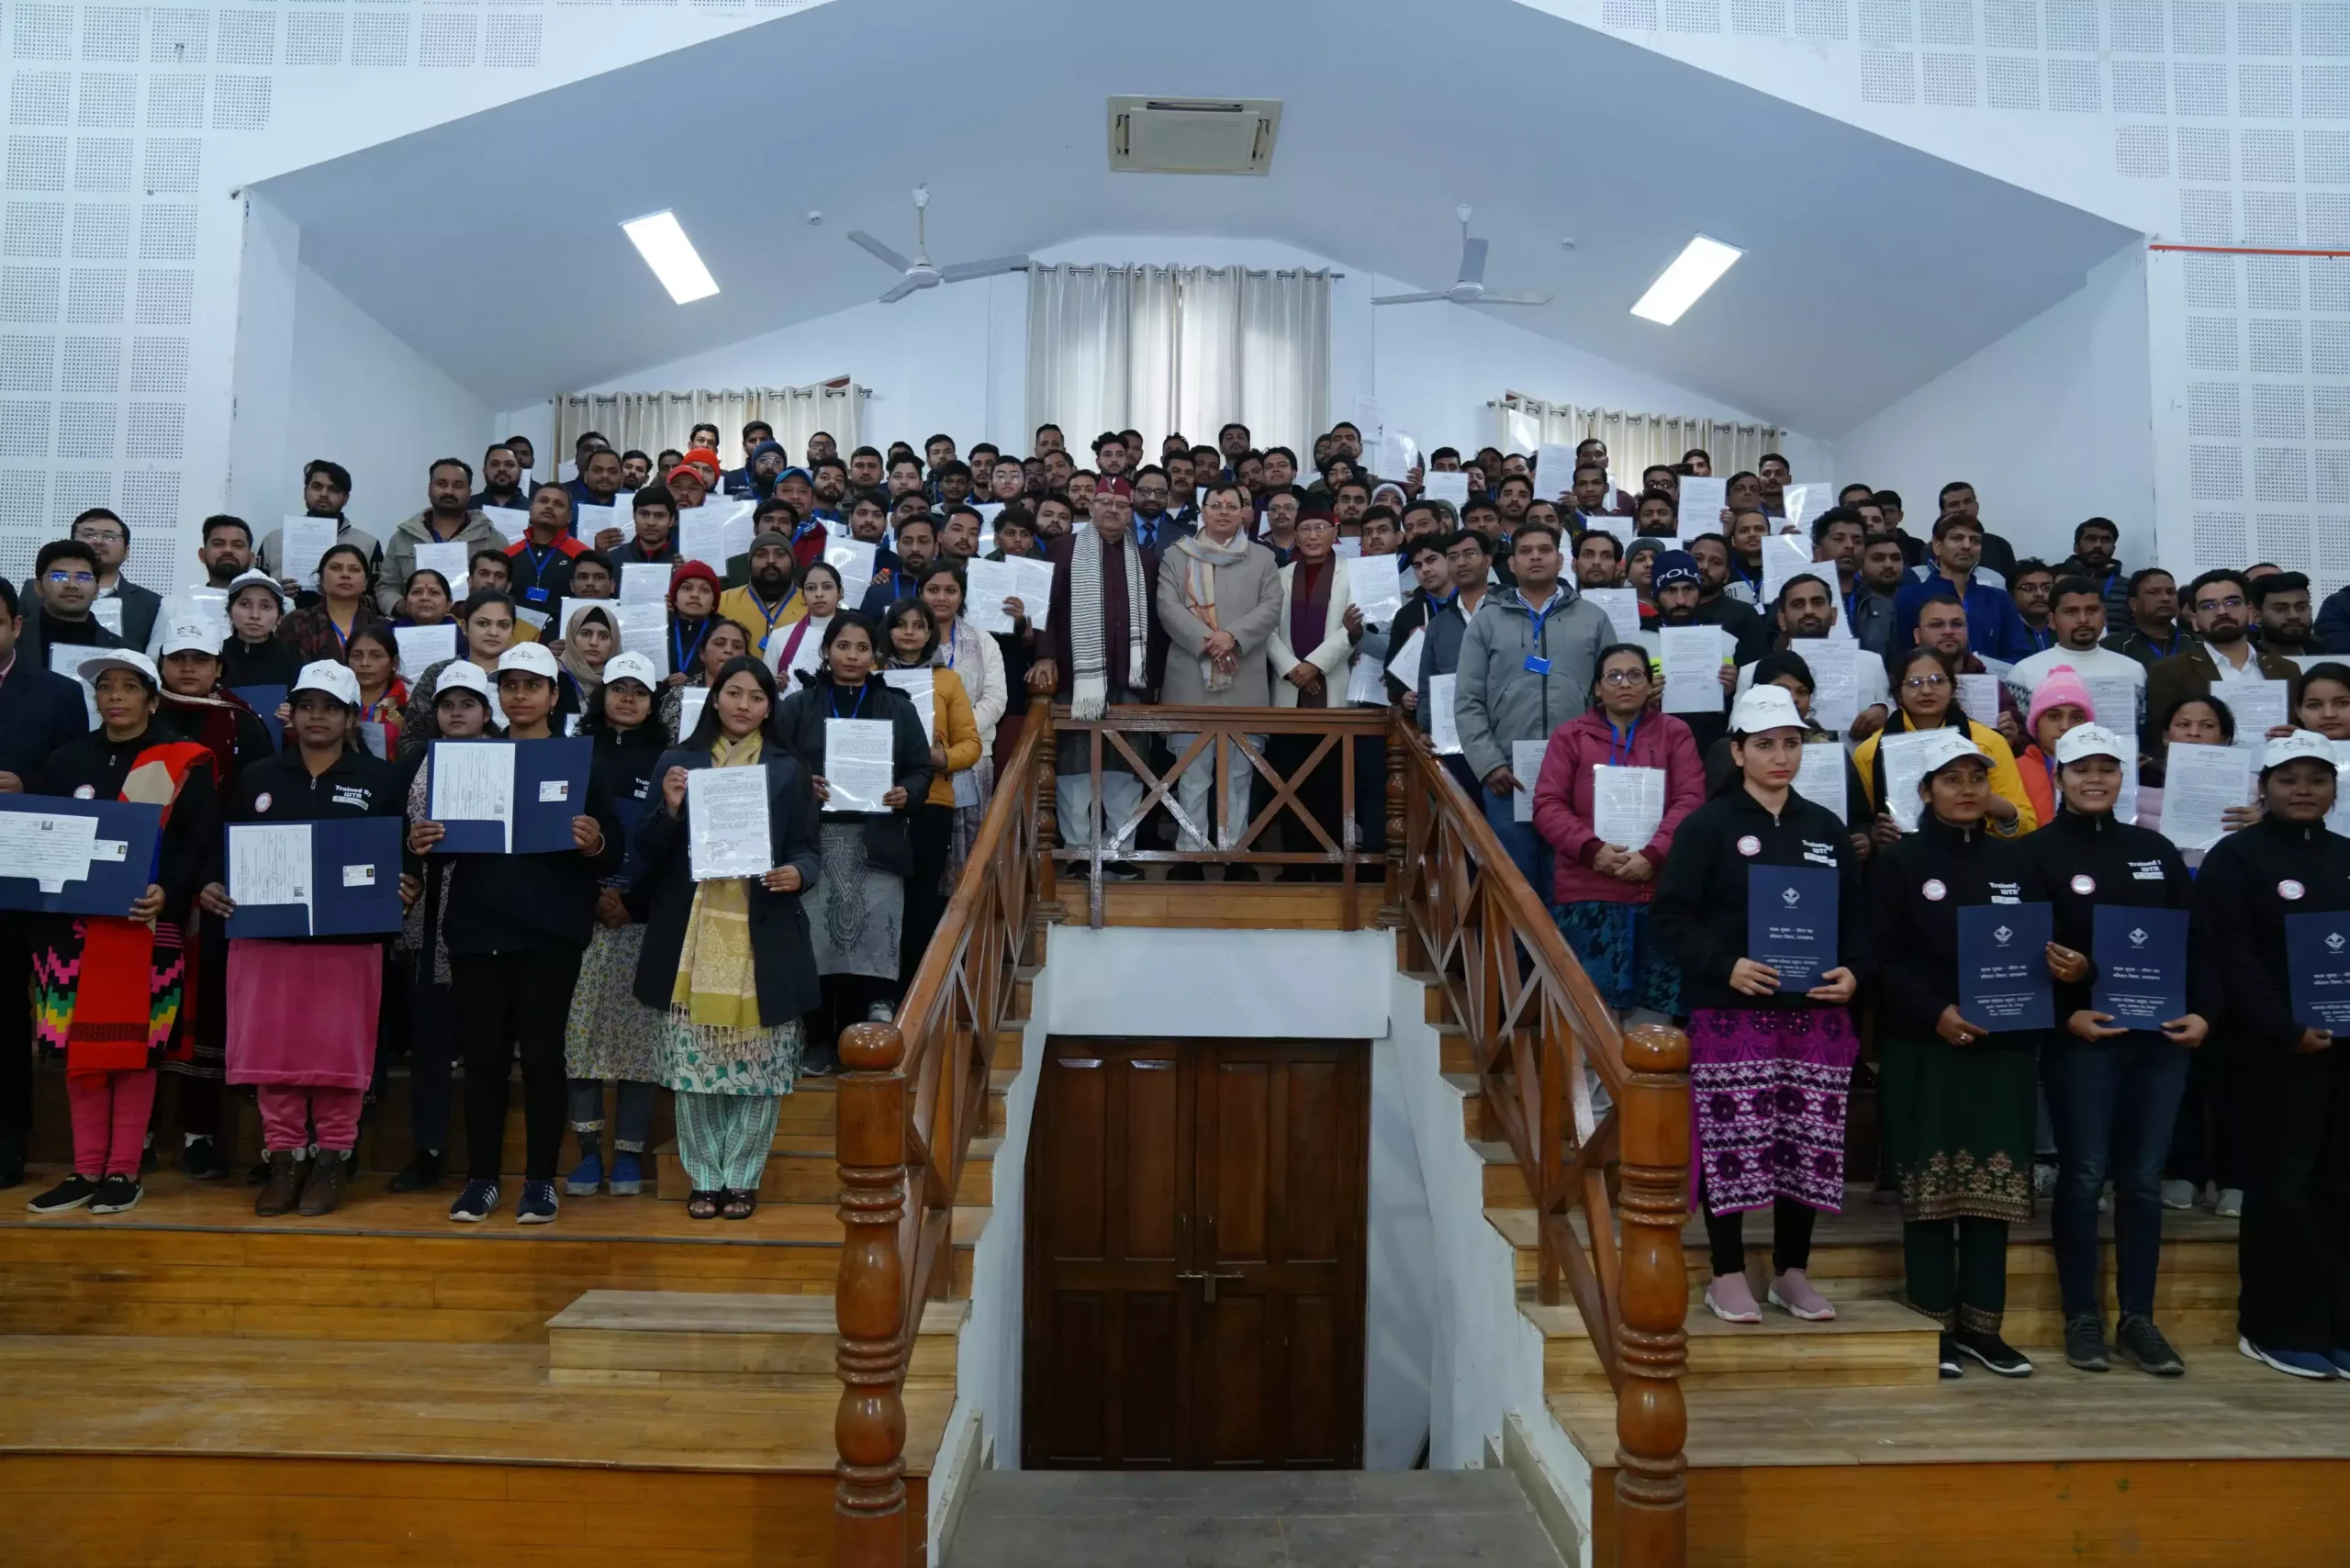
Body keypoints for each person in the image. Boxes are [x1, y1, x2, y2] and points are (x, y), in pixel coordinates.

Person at [1653, 684, 1869, 1323]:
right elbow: (1670, 918)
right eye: (1767, 745)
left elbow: (1860, 921)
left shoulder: (1825, 828)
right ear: (1738, 752)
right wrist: (1726, 965)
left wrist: (1854, 972)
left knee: (1806, 1142)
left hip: (1815, 1016)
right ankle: (1725, 1273)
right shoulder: (1706, 827)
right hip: (1730, 1014)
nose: (1781, 757)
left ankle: (1792, 1272)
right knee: (1733, 1141)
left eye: (1792, 744)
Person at [1868, 728, 2065, 1377]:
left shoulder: (2018, 861)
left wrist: (2063, 966)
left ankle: (1984, 1329)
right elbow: (1880, 959)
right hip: (1924, 1045)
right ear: (1926, 792)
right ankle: (1935, 1327)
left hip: (2003, 1048)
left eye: (1977, 778)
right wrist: (1937, 1014)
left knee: (1994, 1188)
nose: (1967, 790)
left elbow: (2037, 945)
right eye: (1951, 780)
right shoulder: (1898, 864)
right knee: (1932, 1189)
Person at [2019, 722, 2209, 1376]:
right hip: (2084, 1042)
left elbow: (2199, 943)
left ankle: (2139, 1319)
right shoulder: (2034, 854)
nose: (2095, 779)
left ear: (2123, 776)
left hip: (2161, 1044)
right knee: (2081, 1177)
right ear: (2060, 776)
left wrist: (2204, 1014)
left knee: (2143, 1181)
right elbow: (2020, 959)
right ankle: (2081, 1317)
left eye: (2107, 768)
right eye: (2081, 768)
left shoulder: (2155, 851)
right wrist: (2065, 1016)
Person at [414, 644, 621, 1225]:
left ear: (554, 695)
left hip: (549, 932)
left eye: (533, 685)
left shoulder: (580, 760)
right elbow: (443, 852)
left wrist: (594, 843)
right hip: (476, 929)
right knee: (482, 1059)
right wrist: (421, 843)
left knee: (543, 1058)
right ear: (498, 696)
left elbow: (612, 852)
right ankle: (481, 1180)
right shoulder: (469, 760)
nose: (521, 695)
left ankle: (539, 1182)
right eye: (510, 685)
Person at [199, 661, 403, 1217]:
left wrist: (405, 882)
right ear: (291, 713)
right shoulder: (257, 776)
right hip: (267, 939)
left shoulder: (381, 780)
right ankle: (285, 1160)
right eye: (307, 705)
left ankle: (332, 1161)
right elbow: (224, 848)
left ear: (351, 717)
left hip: (349, 941)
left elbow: (400, 856)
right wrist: (211, 884)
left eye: (331, 707)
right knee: (275, 1053)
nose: (318, 716)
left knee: (340, 1053)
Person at [23, 651, 218, 1216]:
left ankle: (124, 1172)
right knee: (78, 1050)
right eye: (105, 686)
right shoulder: (66, 760)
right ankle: (85, 1169)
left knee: (136, 1052)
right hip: (72, 932)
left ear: (152, 700)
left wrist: (170, 892)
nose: (114, 696)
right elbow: (44, 837)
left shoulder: (182, 760)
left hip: (147, 926)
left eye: (128, 687)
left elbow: (199, 841)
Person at [633, 654, 822, 1217]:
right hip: (689, 935)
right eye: (734, 693)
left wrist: (798, 874)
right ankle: (704, 1179)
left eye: (756, 697)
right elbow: (646, 851)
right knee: (694, 1072)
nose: (744, 705)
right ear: (715, 699)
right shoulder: (677, 761)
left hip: (763, 936)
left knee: (759, 1073)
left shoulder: (789, 768)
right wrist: (670, 809)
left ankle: (741, 1178)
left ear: (769, 708)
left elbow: (807, 848)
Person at [2191, 730, 2350, 1379]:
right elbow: (2233, 958)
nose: (2303, 790)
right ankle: (2273, 1326)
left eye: (2316, 779)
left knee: (2340, 1188)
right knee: (2281, 1190)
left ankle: (2337, 1327)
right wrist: (2286, 1029)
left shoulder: (2346, 854)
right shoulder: (2236, 858)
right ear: (2264, 787)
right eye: (2288, 779)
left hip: (2344, 1052)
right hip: (2272, 1054)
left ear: (2334, 789)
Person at [771, 614, 932, 1071]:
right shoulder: (798, 705)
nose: (853, 656)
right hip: (814, 841)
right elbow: (775, 761)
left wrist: (908, 792)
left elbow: (921, 767)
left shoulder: (897, 706)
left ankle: (867, 1043)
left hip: (877, 843)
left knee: (872, 943)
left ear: (874, 655)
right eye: (843, 646)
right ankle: (819, 1041)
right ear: (826, 650)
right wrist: (803, 784)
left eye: (862, 648)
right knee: (817, 944)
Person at [1531, 644, 1706, 1018]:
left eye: (1635, 675)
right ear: (1597, 687)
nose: (1624, 683)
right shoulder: (1570, 736)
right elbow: (1547, 805)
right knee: (1588, 1019)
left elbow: (1690, 800)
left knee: (1654, 1026)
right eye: (1614, 676)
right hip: (1586, 891)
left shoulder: (1675, 733)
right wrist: (1592, 850)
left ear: (1649, 684)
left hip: (1657, 891)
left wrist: (1654, 855)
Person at [559, 652, 671, 1198]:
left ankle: (627, 1155)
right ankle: (587, 1154)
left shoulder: (669, 759)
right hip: (581, 914)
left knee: (638, 1042)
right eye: (619, 688)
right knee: (577, 1037)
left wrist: (633, 903)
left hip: (642, 918)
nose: (628, 699)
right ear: (601, 694)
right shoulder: (574, 752)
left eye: (639, 691)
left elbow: (670, 845)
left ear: (653, 703)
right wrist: (593, 897)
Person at [386, 660, 498, 1193]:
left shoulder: (507, 759)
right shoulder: (414, 762)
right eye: (447, 705)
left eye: (467, 704)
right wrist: (407, 864)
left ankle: (485, 1160)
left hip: (491, 920)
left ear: (486, 712)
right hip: (428, 920)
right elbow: (391, 834)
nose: (457, 713)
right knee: (430, 1043)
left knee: (485, 1044)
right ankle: (427, 1149)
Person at [1456, 521, 1612, 892]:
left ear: (1561, 560)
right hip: (1508, 776)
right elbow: (1467, 699)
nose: (1535, 557)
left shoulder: (1594, 618)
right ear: (1512, 564)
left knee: (1570, 882)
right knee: (1515, 885)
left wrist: (1599, 760)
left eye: (1544, 550)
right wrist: (1489, 764)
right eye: (1525, 551)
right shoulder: (1486, 621)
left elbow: (1608, 697)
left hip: (1577, 772)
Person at [1157, 483, 1281, 867]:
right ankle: (1191, 856)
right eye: (1216, 505)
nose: (1224, 511)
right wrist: (1209, 642)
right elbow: (1167, 606)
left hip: (1244, 680)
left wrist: (1233, 637)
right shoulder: (1176, 555)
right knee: (1192, 777)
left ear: (1244, 512)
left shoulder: (1263, 558)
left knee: (1239, 777)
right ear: (1203, 510)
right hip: (1190, 681)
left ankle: (1234, 854)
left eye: (1232, 505)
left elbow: (1272, 606)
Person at [880, 600, 981, 983]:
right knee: (882, 896)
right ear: (888, 631)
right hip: (879, 800)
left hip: (932, 800)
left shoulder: (948, 680)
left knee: (922, 898)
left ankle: (916, 988)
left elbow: (971, 744)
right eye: (901, 624)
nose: (909, 632)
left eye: (918, 625)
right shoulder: (871, 675)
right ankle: (882, 990)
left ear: (930, 634)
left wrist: (944, 757)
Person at [1853, 644, 2036, 839]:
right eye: (1914, 683)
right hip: (1901, 854)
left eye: (1937, 681)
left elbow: (2028, 824)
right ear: (1898, 693)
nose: (1926, 691)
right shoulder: (1869, 752)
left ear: (1953, 687)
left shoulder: (1989, 742)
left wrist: (1995, 806)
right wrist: (1874, 834)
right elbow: (1862, 822)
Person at [2144, 569, 2300, 722]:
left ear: (2251, 613)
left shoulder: (2287, 670)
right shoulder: (2170, 672)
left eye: (2232, 603)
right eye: (2208, 606)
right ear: (2194, 621)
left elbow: (2303, 725)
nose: (2222, 611)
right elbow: (2160, 734)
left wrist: (2298, 734)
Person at [2006, 577, 2146, 725]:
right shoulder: (2025, 672)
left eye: (2092, 610)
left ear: (2104, 615)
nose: (2083, 619)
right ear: (2052, 620)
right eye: (2071, 611)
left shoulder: (2133, 670)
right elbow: (2018, 732)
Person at [1893, 514, 2034, 661]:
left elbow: (2020, 655)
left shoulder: (1998, 600)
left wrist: (1983, 669)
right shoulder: (1910, 597)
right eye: (1957, 538)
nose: (1967, 546)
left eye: (1975, 541)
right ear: (1937, 546)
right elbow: (1902, 655)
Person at [399, 591, 519, 756]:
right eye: (483, 623)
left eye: (503, 625)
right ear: (464, 626)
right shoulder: (439, 672)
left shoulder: (521, 677)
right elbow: (410, 739)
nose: (493, 632)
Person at [383, 459, 504, 616]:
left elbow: (507, 589)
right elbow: (386, 587)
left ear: (469, 493)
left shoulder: (493, 539)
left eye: (458, 486)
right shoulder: (403, 537)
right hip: (415, 626)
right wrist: (404, 606)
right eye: (441, 484)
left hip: (473, 627)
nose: (449, 491)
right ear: (429, 489)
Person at [54, 509, 162, 650]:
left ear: (126, 551)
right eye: (88, 534)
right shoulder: (34, 592)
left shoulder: (153, 604)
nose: (98, 541)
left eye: (110, 537)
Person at [18, 538, 127, 670]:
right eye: (59, 576)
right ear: (38, 587)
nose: (72, 585)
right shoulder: (12, 639)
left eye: (83, 577)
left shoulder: (124, 651)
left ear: (96, 591)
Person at [2011, 666, 2100, 828]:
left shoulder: (2104, 771)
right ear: (2036, 724)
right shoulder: (2014, 770)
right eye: (2054, 716)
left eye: (2077, 717)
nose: (2065, 726)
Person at [278, 543, 390, 661]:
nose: (345, 575)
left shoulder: (383, 626)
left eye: (354, 570)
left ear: (366, 582)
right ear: (321, 579)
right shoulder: (297, 623)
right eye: (336, 568)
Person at [716, 531, 807, 660]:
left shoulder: (810, 603)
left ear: (792, 562)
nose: (771, 561)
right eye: (761, 555)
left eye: (780, 554)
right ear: (749, 563)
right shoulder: (723, 601)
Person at [767, 560, 842, 683]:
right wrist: (772, 685)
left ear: (840, 593)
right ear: (803, 596)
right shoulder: (779, 637)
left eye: (827, 587)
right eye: (811, 588)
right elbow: (763, 687)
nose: (819, 594)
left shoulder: (855, 636)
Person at [557, 605, 616, 722]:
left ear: (614, 642)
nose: (594, 642)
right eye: (586, 634)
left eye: (603, 636)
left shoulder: (621, 680)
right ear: (572, 637)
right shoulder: (552, 675)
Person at [2251, 571, 2319, 657]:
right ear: (2257, 616)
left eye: (2301, 608)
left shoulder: (2327, 652)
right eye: (2281, 609)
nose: (2294, 616)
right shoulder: (2244, 657)